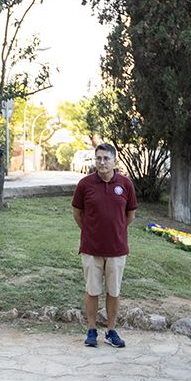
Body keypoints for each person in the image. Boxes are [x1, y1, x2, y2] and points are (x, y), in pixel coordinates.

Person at [72, 143, 138, 348]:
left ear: (114, 161)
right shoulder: (85, 184)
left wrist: (115, 231)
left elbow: (130, 215)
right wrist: (91, 231)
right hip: (91, 248)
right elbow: (77, 213)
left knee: (114, 292)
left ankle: (111, 331)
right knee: (92, 291)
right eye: (98, 158)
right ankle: (91, 330)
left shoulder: (125, 184)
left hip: (117, 249)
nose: (102, 162)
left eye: (106, 158)